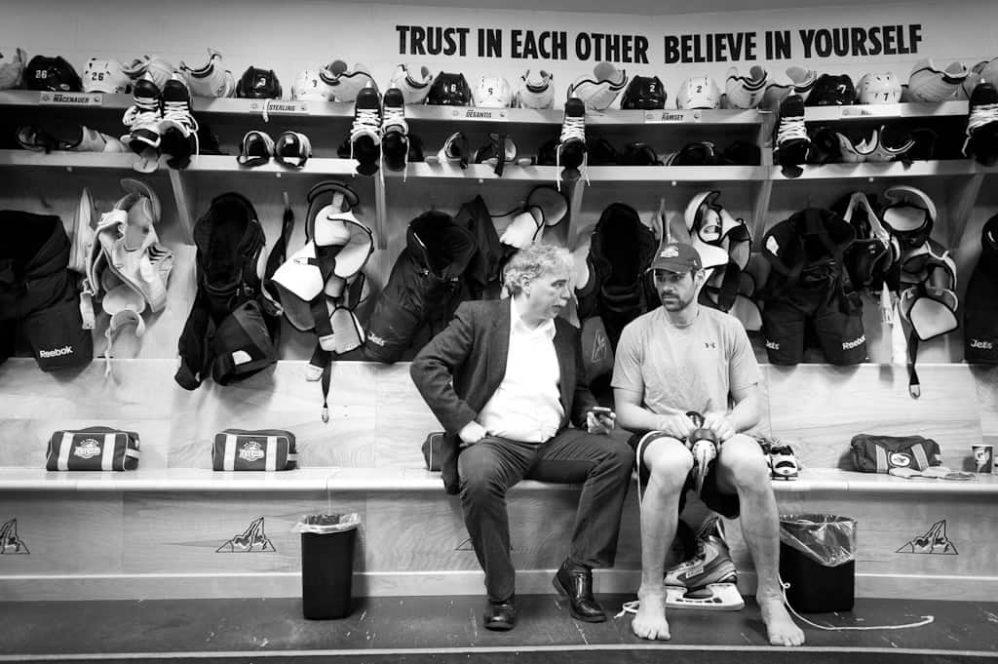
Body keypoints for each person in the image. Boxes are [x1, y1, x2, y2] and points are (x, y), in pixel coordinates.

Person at [410, 243, 634, 632]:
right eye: (558, 286)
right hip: (496, 444)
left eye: (567, 288)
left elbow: (578, 390)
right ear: (526, 282)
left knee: (616, 454)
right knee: (478, 478)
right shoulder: (479, 317)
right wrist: (463, 424)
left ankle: (577, 569)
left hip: (553, 442)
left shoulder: (566, 333)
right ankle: (500, 594)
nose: (567, 297)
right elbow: (425, 365)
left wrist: (588, 415)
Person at [611, 242, 805, 647]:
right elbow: (626, 411)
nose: (667, 286)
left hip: (718, 429)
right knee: (670, 464)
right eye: (661, 277)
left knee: (752, 466)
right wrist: (664, 420)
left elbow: (752, 403)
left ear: (699, 278)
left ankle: (771, 596)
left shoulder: (726, 327)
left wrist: (728, 422)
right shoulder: (637, 332)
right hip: (663, 430)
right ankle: (651, 592)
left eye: (677, 277)